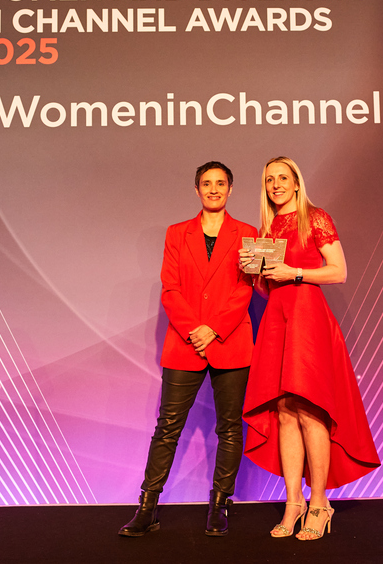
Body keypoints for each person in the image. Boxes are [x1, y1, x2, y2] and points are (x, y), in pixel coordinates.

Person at [240, 156, 380, 541]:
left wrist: (295, 272)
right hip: (277, 318)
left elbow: (339, 271)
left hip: (308, 316)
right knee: (284, 411)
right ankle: (294, 502)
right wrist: (256, 276)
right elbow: (268, 287)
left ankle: (319, 502)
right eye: (270, 179)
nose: (276, 184)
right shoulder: (267, 228)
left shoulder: (315, 217)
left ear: (297, 183)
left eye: (283, 178)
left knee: (309, 407)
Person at [118, 161, 258, 537]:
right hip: (186, 343)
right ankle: (147, 507)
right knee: (167, 428)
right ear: (196, 190)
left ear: (231, 189)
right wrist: (195, 330)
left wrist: (214, 329)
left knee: (229, 427)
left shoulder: (248, 233)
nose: (213, 189)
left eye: (220, 183)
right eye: (206, 183)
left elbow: (244, 288)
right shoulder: (177, 232)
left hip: (230, 341)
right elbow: (170, 288)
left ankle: (219, 505)